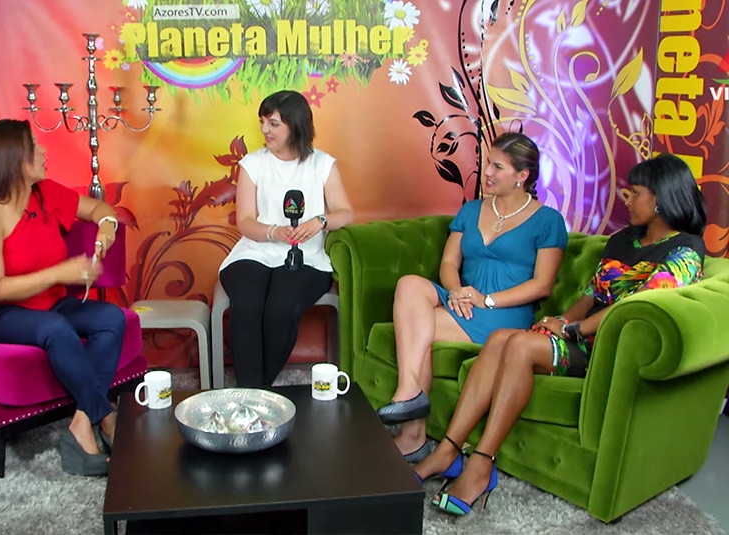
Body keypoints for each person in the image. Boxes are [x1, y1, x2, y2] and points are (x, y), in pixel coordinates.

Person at [415, 153, 707, 516]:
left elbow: (635, 307)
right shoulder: (623, 240)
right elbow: (590, 297)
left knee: (519, 346)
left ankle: (481, 464)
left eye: (635, 193)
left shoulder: (685, 250)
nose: (628, 199)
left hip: (607, 349)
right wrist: (557, 321)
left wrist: (571, 330)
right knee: (501, 338)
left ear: (660, 198)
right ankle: (448, 450)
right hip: (577, 335)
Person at [377, 132, 569, 462]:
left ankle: (412, 434)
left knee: (415, 328)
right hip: (463, 300)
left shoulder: (548, 221)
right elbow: (449, 263)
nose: (487, 172)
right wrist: (456, 292)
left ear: (522, 175)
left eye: (498, 167)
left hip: (503, 311)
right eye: (488, 163)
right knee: (409, 284)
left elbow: (542, 285)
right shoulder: (472, 210)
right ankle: (410, 392)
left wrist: (487, 300)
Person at [0, 119, 125, 477]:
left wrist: (107, 226)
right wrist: (59, 273)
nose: (44, 150)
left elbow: (98, 209)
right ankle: (106, 416)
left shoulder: (46, 193)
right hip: (0, 313)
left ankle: (82, 420)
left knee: (111, 318)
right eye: (35, 145)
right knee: (54, 328)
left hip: (50, 303)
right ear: (15, 157)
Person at [219, 90, 354, 387]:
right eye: (262, 122)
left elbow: (346, 213)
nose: (265, 130)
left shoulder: (323, 164)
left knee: (280, 309)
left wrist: (319, 222)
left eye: (274, 124)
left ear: (295, 125)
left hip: (306, 257)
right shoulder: (252, 164)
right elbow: (245, 222)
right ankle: (252, 394)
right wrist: (273, 232)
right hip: (255, 252)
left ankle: (255, 391)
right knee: (247, 306)